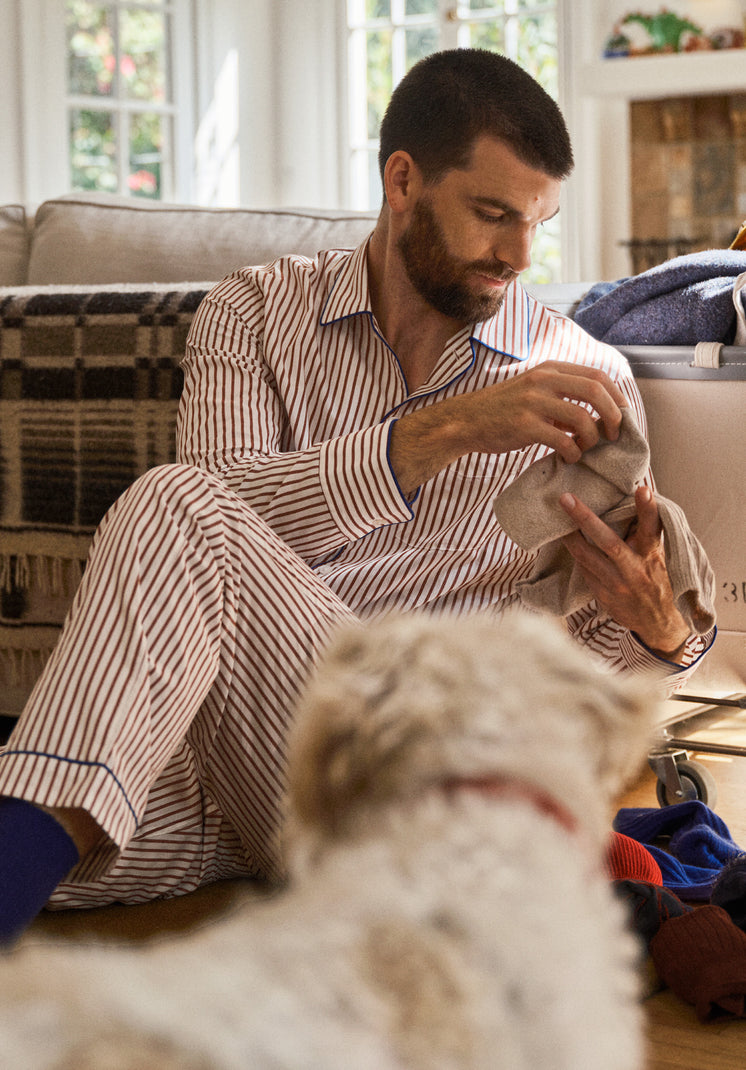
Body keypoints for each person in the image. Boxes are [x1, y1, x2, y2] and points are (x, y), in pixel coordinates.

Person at [0, 49, 714, 943]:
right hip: (231, 767)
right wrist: (451, 429)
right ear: (403, 180)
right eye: (493, 214)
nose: (519, 254)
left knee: (172, 501)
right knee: (54, 769)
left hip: (416, 772)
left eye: (539, 222)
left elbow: (597, 676)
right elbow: (215, 536)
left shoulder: (581, 376)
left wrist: (660, 629)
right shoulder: (255, 314)